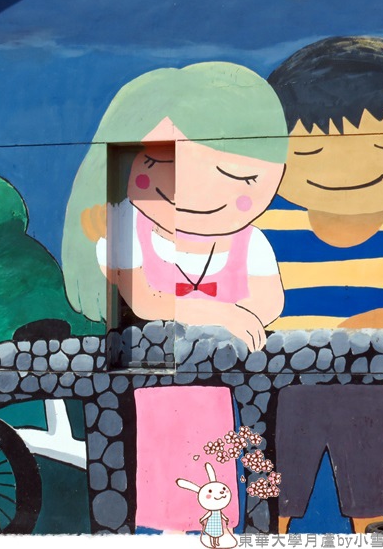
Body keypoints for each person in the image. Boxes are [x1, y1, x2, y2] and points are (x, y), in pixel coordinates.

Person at [62, 61, 289, 532]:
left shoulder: (251, 242)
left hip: (221, 392)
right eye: (160, 164)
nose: (198, 191)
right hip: (148, 387)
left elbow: (270, 302)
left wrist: (239, 318)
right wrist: (223, 314)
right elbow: (144, 301)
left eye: (237, 177)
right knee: (158, 483)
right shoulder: (124, 232)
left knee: (216, 484)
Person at [262, 36, 383, 533]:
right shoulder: (267, 217)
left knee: (372, 492)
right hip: (282, 375)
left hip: (378, 374)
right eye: (309, 150)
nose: (343, 169)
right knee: (276, 495)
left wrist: (352, 336)